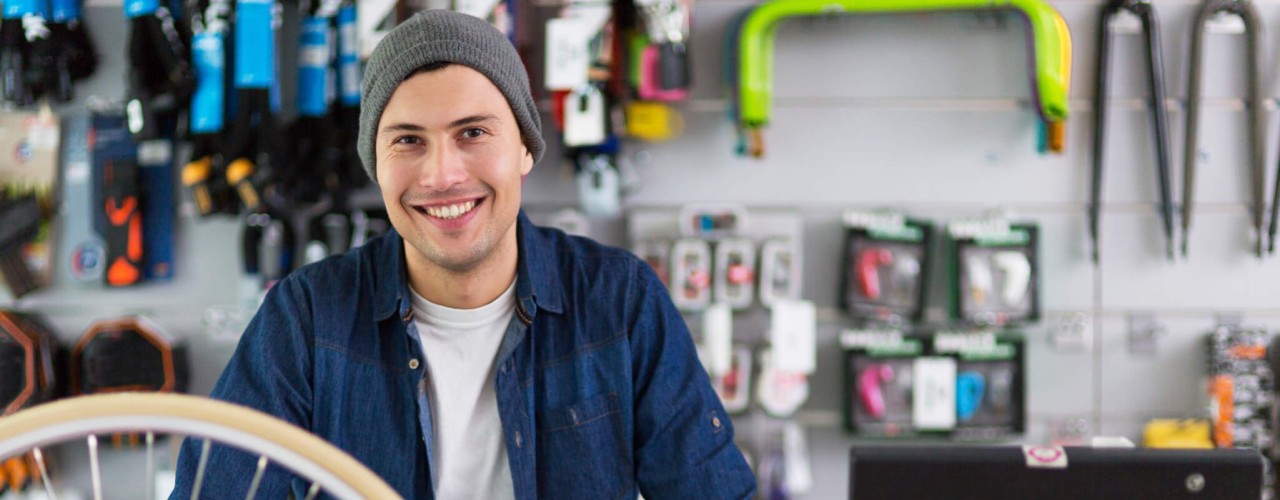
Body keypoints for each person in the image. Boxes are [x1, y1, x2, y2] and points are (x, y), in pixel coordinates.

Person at [171, 9, 756, 499]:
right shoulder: (307, 317)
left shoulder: (618, 300)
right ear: (375, 166)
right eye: (407, 140)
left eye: (473, 133)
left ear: (526, 148)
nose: (442, 174)